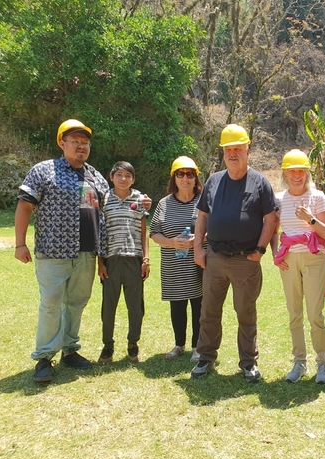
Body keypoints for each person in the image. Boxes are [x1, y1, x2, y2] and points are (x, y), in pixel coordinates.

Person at [14, 119, 108, 383]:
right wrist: (20, 243)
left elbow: (107, 210)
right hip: (52, 252)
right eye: (75, 142)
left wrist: (139, 200)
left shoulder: (94, 176)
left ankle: (69, 350)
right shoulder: (44, 171)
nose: (81, 147)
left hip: (87, 254)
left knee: (76, 303)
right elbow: (24, 205)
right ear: (62, 143)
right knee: (51, 304)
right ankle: (44, 357)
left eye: (85, 143)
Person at [191, 124, 277, 382]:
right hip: (215, 258)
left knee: (245, 313)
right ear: (223, 153)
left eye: (238, 149)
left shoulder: (260, 182)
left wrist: (260, 250)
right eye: (228, 149)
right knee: (209, 311)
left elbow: (271, 218)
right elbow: (202, 216)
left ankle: (248, 362)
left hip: (245, 260)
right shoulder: (214, 180)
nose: (233, 154)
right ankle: (206, 357)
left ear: (247, 152)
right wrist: (198, 249)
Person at [271, 149, 325, 384]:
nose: (297, 175)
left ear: (307, 172)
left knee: (315, 314)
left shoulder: (318, 197)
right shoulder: (278, 199)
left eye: (301, 171)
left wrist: (310, 219)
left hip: (314, 257)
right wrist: (276, 251)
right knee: (294, 313)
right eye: (292, 171)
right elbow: (273, 228)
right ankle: (299, 362)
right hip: (289, 261)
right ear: (285, 174)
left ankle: (323, 363)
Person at [150, 156, 205, 363]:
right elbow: (154, 232)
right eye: (180, 174)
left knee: (199, 304)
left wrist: (198, 240)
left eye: (190, 174)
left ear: (195, 178)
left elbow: (215, 229)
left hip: (198, 263)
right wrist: (172, 242)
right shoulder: (164, 203)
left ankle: (197, 347)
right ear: (174, 178)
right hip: (173, 264)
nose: (185, 178)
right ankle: (179, 344)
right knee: (177, 304)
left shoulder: (204, 200)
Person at [97, 162, 150, 364]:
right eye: (119, 175)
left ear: (133, 179)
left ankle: (133, 344)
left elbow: (144, 232)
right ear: (111, 177)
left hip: (134, 260)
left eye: (128, 175)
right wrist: (100, 262)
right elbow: (100, 233)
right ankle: (108, 346)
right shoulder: (104, 199)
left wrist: (146, 259)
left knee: (135, 306)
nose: (123, 179)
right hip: (111, 260)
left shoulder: (139, 199)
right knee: (108, 306)